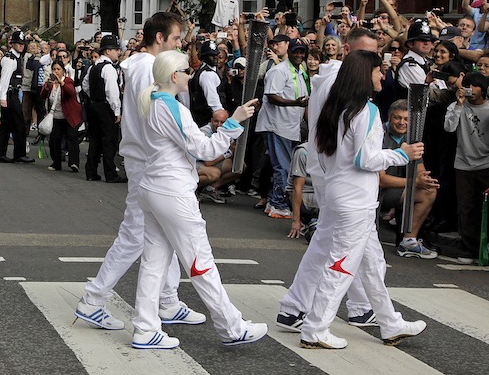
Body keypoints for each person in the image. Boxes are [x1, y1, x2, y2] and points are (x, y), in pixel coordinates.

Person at [76, 13, 205, 331]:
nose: (180, 45)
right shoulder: (149, 69)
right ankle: (93, 300)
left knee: (163, 232)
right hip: (149, 162)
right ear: (159, 38)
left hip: (145, 159)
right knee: (135, 236)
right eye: (176, 39)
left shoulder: (137, 65)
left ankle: (168, 300)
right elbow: (156, 118)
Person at [129, 50, 266, 349]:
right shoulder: (170, 106)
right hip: (172, 191)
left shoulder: (153, 102)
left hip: (155, 187)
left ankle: (145, 327)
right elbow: (203, 149)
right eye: (187, 72)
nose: (191, 76)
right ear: (174, 76)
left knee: (155, 262)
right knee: (199, 262)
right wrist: (235, 122)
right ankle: (231, 326)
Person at [296, 51, 426, 349]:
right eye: (379, 71)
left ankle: (390, 323)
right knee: (341, 265)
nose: (383, 76)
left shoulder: (339, 108)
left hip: (345, 195)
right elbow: (365, 159)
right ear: (365, 75)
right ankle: (315, 328)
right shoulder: (365, 111)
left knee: (368, 266)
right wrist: (403, 154)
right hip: (356, 200)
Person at [378, 100, 439, 259]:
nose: (401, 122)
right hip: (372, 190)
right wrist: (414, 182)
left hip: (394, 190)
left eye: (406, 119)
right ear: (389, 118)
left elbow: (420, 169)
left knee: (429, 191)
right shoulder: (378, 134)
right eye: (397, 118)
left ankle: (408, 242)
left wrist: (424, 180)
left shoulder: (411, 137)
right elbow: (381, 180)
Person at [261, 37, 310, 218]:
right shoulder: (279, 71)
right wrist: (294, 103)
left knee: (284, 166)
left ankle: (273, 201)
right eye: (296, 51)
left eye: (301, 52)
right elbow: (272, 96)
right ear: (289, 52)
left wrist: (310, 125)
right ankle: (277, 204)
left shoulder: (300, 71)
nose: (298, 55)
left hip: (291, 126)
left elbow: (304, 101)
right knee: (282, 166)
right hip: (277, 125)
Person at [443, 72, 489, 264]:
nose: (471, 89)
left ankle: (483, 248)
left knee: (483, 207)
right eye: (468, 85)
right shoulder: (456, 107)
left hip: (486, 163)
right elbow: (449, 127)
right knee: (466, 207)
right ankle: (470, 249)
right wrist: (459, 105)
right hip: (463, 163)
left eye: (475, 86)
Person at [84, 34, 124, 183]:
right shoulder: (109, 69)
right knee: (109, 141)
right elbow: (112, 92)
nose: (118, 53)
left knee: (94, 140)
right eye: (116, 50)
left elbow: (85, 85)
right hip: (105, 107)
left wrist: (94, 97)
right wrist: (117, 111)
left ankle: (91, 171)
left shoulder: (93, 67)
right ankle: (110, 173)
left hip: (93, 105)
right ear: (108, 51)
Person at [0, 31, 35, 164]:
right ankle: (19, 154)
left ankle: (1, 154)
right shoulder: (10, 59)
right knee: (19, 125)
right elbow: (4, 80)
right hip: (10, 95)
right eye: (18, 43)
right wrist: (3, 98)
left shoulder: (16, 57)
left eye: (23, 43)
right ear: (12, 44)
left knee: (5, 126)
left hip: (12, 94)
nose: (21, 46)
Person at [41, 61, 80, 171]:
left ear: (63, 70)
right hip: (55, 116)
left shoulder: (68, 81)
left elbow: (70, 92)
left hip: (69, 115)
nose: (56, 71)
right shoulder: (50, 82)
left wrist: (61, 83)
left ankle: (74, 163)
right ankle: (56, 162)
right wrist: (47, 87)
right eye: (54, 69)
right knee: (54, 140)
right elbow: (43, 96)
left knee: (72, 138)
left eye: (58, 69)